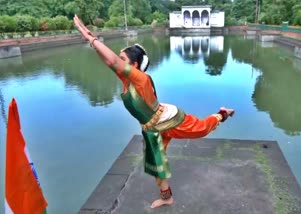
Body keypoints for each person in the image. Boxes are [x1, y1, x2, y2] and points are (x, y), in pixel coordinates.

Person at [73, 15, 235, 209]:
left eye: (123, 58)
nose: (118, 60)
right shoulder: (127, 79)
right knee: (157, 165)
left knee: (201, 129)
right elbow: (110, 62)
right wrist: (91, 39)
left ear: (134, 65)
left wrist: (89, 37)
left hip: (169, 120)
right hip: (151, 128)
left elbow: (114, 61)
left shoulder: (141, 79)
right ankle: (167, 197)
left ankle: (221, 114)